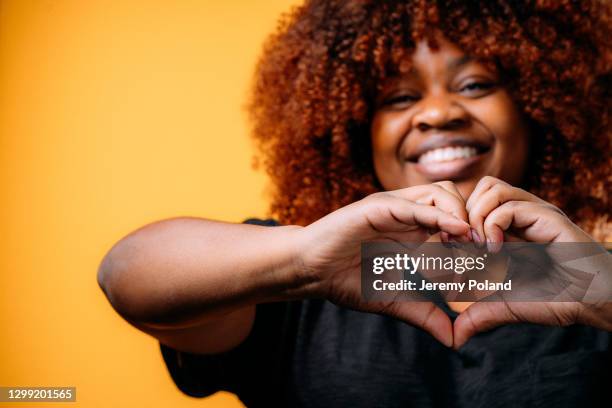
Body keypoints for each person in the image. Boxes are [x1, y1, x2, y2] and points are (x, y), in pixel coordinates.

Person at [97, 0, 611, 407]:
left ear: (539, 108)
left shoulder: (590, 273)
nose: (436, 113)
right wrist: (301, 262)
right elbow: (125, 273)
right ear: (352, 132)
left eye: (474, 84)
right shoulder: (308, 274)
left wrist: (599, 285)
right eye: (399, 98)